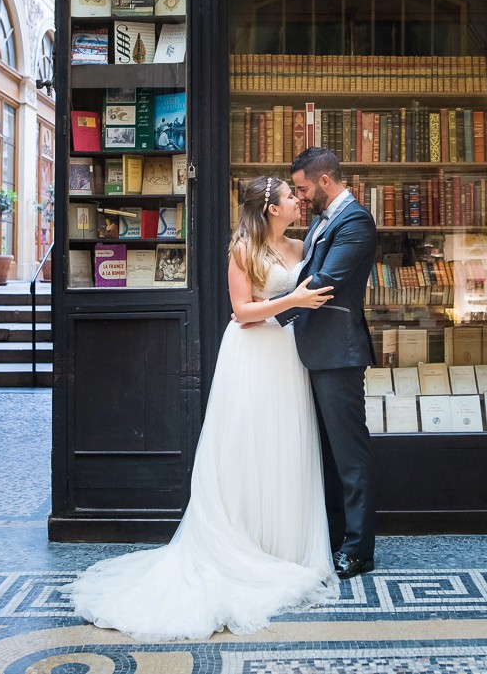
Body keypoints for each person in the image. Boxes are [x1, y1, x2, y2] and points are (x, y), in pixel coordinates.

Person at [65, 176, 338, 641]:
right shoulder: (243, 249)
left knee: (283, 447)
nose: (299, 201)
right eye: (292, 197)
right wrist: (293, 299)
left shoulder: (299, 246)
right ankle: (246, 543)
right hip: (252, 356)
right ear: (272, 208)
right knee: (247, 446)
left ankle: (282, 544)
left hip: (287, 355)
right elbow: (242, 311)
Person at [277, 147, 379, 580]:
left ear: (323, 182)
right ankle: (334, 537)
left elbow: (326, 282)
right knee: (326, 455)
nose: (299, 198)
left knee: (350, 456)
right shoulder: (323, 220)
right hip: (313, 350)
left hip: (338, 353)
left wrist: (268, 312)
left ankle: (359, 550)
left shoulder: (355, 221)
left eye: (302, 189)